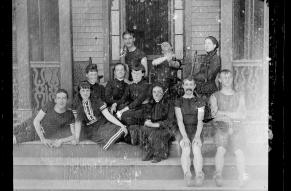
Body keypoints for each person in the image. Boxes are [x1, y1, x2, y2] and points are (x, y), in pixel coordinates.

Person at [209, 69, 248, 187]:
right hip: (221, 126)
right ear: (219, 80)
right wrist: (232, 115)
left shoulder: (239, 95)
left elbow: (243, 115)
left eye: (229, 77)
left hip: (237, 126)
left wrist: (223, 113)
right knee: (221, 149)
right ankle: (219, 174)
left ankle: (241, 176)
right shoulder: (214, 96)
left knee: (239, 151)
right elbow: (214, 115)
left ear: (232, 79)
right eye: (224, 77)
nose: (227, 79)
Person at [74, 81, 128, 150]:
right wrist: (76, 138)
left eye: (87, 90)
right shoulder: (76, 104)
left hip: (101, 123)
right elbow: (78, 121)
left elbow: (107, 115)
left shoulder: (96, 101)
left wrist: (121, 125)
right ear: (79, 92)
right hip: (90, 129)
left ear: (90, 91)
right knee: (104, 136)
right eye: (83, 91)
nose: (85, 93)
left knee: (119, 128)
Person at [174, 76, 205, 187]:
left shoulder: (200, 101)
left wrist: (197, 136)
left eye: (191, 85)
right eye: (186, 84)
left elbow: (200, 120)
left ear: (194, 86)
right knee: (186, 148)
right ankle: (187, 174)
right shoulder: (178, 101)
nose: (188, 87)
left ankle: (199, 174)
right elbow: (180, 120)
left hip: (196, 129)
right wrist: (185, 137)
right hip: (183, 129)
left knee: (196, 148)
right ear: (183, 86)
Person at [138, 83, 177, 163]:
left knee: (157, 132)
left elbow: (170, 121)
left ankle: (158, 154)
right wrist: (147, 121)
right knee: (143, 129)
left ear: (163, 93)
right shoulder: (149, 103)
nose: (156, 94)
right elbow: (146, 116)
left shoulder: (169, 104)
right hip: (152, 127)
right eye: (154, 92)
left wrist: (156, 124)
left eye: (159, 91)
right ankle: (149, 151)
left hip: (166, 127)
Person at [191, 36, 221, 121]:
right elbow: (200, 73)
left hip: (209, 89)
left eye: (209, 43)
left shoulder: (215, 58)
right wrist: (192, 77)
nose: (206, 45)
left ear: (214, 45)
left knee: (207, 116)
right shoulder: (207, 57)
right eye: (205, 43)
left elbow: (208, 76)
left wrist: (194, 77)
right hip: (201, 88)